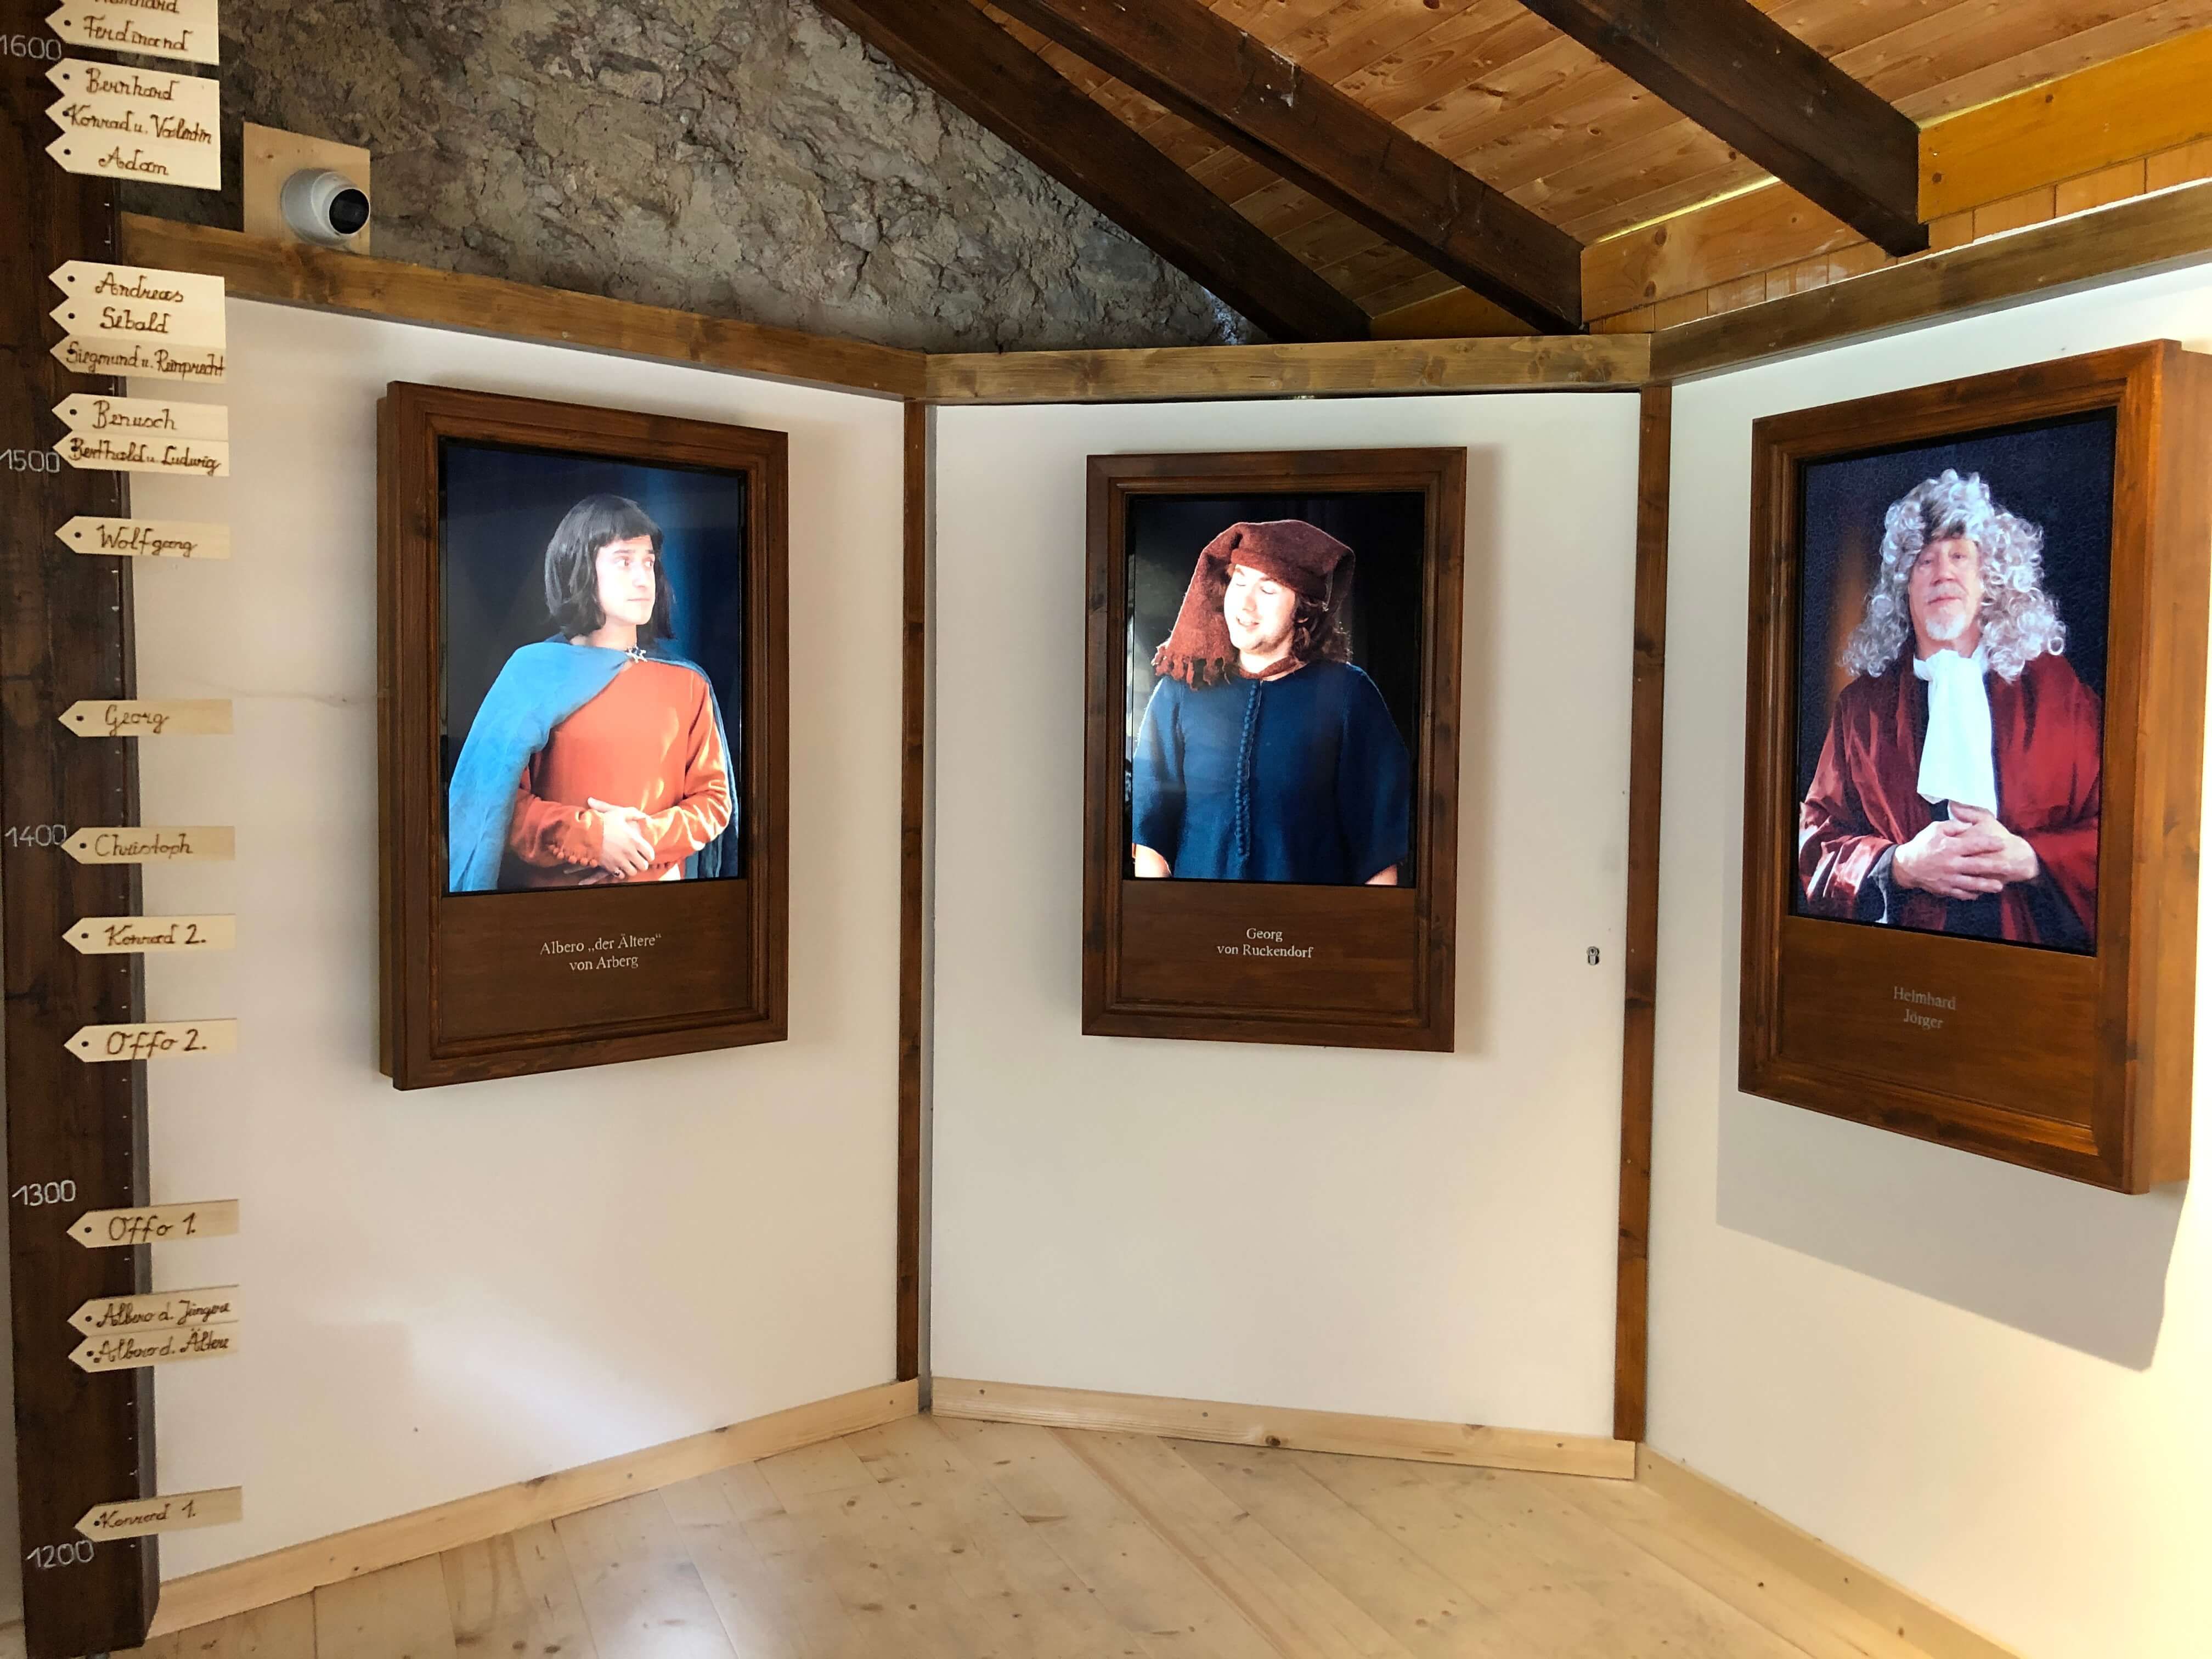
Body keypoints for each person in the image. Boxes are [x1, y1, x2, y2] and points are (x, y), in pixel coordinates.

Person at [1798, 470, 2101, 947]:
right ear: (1903, 588)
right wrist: (1898, 865)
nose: (1942, 573)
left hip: (2029, 962)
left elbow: (2124, 832)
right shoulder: (1862, 709)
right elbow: (1816, 841)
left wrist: (2032, 858)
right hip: (1901, 960)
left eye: (1959, 555)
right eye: (1924, 560)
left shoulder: (2061, 696)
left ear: (1990, 578)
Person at [447, 494, 737, 892]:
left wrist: (638, 842)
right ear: (580, 568)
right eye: (624, 561)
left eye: (649, 562)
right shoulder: (532, 674)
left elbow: (714, 801)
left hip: (663, 904)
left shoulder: (687, 683)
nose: (643, 579)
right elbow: (489, 802)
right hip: (555, 912)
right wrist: (592, 839)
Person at [1130, 518, 1412, 885]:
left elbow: (1378, 846)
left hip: (1311, 919)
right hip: (1200, 916)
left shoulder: (1349, 695)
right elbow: (1151, 835)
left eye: (1268, 589)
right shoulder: (1181, 691)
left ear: (1303, 610)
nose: (1245, 603)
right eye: (1239, 581)